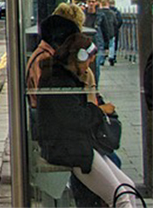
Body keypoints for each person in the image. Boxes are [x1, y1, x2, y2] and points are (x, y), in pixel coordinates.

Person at [36, 30, 141, 207]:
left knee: (128, 187)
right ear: (80, 57)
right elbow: (75, 118)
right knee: (120, 196)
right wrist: (100, 111)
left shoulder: (66, 78)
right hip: (70, 148)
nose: (89, 67)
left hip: (79, 143)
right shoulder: (59, 81)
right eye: (88, 63)